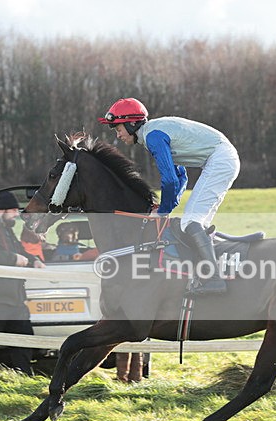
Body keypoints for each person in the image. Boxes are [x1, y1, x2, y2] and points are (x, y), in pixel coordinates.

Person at [98, 98, 240, 295]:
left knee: (191, 221)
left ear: (131, 123)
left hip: (220, 159)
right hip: (221, 158)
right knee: (195, 222)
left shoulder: (153, 137)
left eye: (118, 128)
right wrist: (167, 208)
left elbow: (171, 180)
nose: (118, 134)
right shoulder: (153, 133)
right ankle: (206, 273)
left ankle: (215, 280)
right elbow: (181, 176)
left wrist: (163, 211)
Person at [0, 191, 45, 374]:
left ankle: (24, 376)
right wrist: (13, 259)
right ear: (1, 211)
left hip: (13, 297)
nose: (15, 215)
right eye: (12, 211)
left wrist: (33, 259)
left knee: (24, 338)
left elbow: (19, 250)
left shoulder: (5, 229)